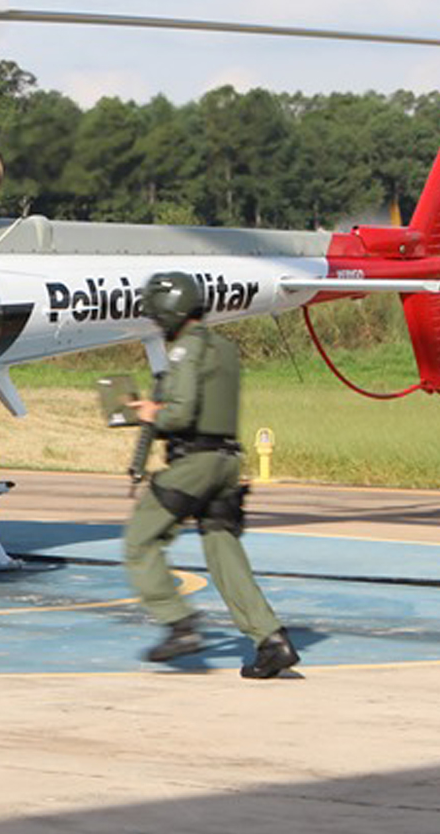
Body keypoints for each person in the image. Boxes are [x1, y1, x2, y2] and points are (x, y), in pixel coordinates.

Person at [124, 271, 300, 679]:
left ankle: (178, 624)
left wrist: (153, 414)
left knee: (139, 542)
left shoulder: (185, 350)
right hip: (227, 462)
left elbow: (181, 413)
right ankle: (271, 639)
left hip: (195, 464)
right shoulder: (224, 347)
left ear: (168, 312)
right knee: (224, 553)